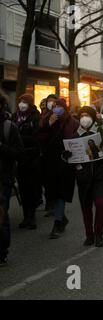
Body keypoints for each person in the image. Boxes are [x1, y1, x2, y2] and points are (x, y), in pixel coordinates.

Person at [67, 106, 103, 247]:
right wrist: (67, 156)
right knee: (86, 207)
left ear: (93, 117)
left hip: (100, 176)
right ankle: (89, 235)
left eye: (87, 115)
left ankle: (98, 233)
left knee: (101, 203)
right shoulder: (75, 136)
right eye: (82, 115)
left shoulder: (101, 132)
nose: (85, 118)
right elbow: (70, 160)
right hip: (83, 178)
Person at [39, 98, 78, 239]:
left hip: (65, 162)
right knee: (52, 194)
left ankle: (57, 223)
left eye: (60, 107)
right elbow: (40, 137)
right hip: (50, 162)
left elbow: (75, 139)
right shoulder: (46, 119)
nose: (57, 109)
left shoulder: (72, 122)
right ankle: (61, 218)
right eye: (55, 107)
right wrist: (49, 124)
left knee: (61, 194)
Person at [0, 94, 24, 266]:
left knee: (1, 215)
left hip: (3, 179)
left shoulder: (9, 127)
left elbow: (19, 153)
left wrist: (2, 147)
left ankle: (2, 252)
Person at [12, 94, 41, 230]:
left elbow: (36, 136)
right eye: (20, 101)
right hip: (20, 158)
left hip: (32, 158)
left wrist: (20, 138)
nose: (21, 104)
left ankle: (32, 216)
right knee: (23, 189)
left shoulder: (35, 116)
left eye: (24, 102)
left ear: (29, 103)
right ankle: (25, 216)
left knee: (32, 188)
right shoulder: (15, 116)